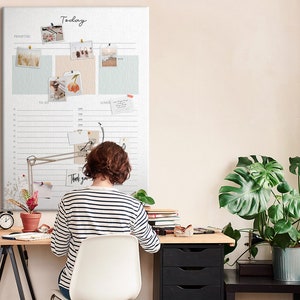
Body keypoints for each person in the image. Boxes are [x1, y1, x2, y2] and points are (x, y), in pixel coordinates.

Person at [51, 141, 160, 299]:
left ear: (91, 165)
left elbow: (58, 250)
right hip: (120, 289)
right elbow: (153, 247)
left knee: (67, 274)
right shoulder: (133, 205)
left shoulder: (70, 200)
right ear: (122, 169)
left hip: (78, 291)